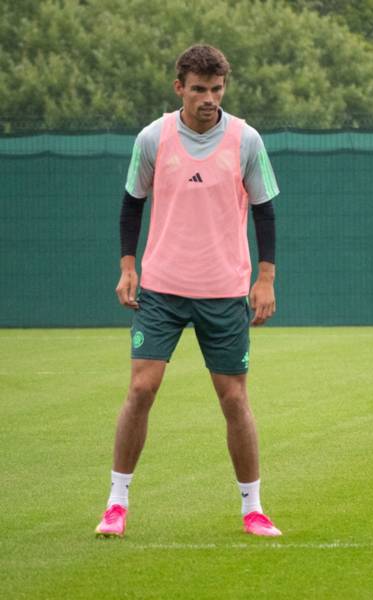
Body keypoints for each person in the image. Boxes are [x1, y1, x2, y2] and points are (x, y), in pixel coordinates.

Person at [95, 44, 281, 538]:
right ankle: (116, 504)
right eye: (199, 89)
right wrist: (127, 267)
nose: (208, 99)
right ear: (179, 87)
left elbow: (264, 210)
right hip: (161, 288)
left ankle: (253, 509)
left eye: (216, 90)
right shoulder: (153, 138)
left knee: (234, 399)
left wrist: (265, 279)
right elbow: (132, 204)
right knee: (141, 388)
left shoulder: (245, 140)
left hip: (224, 293)